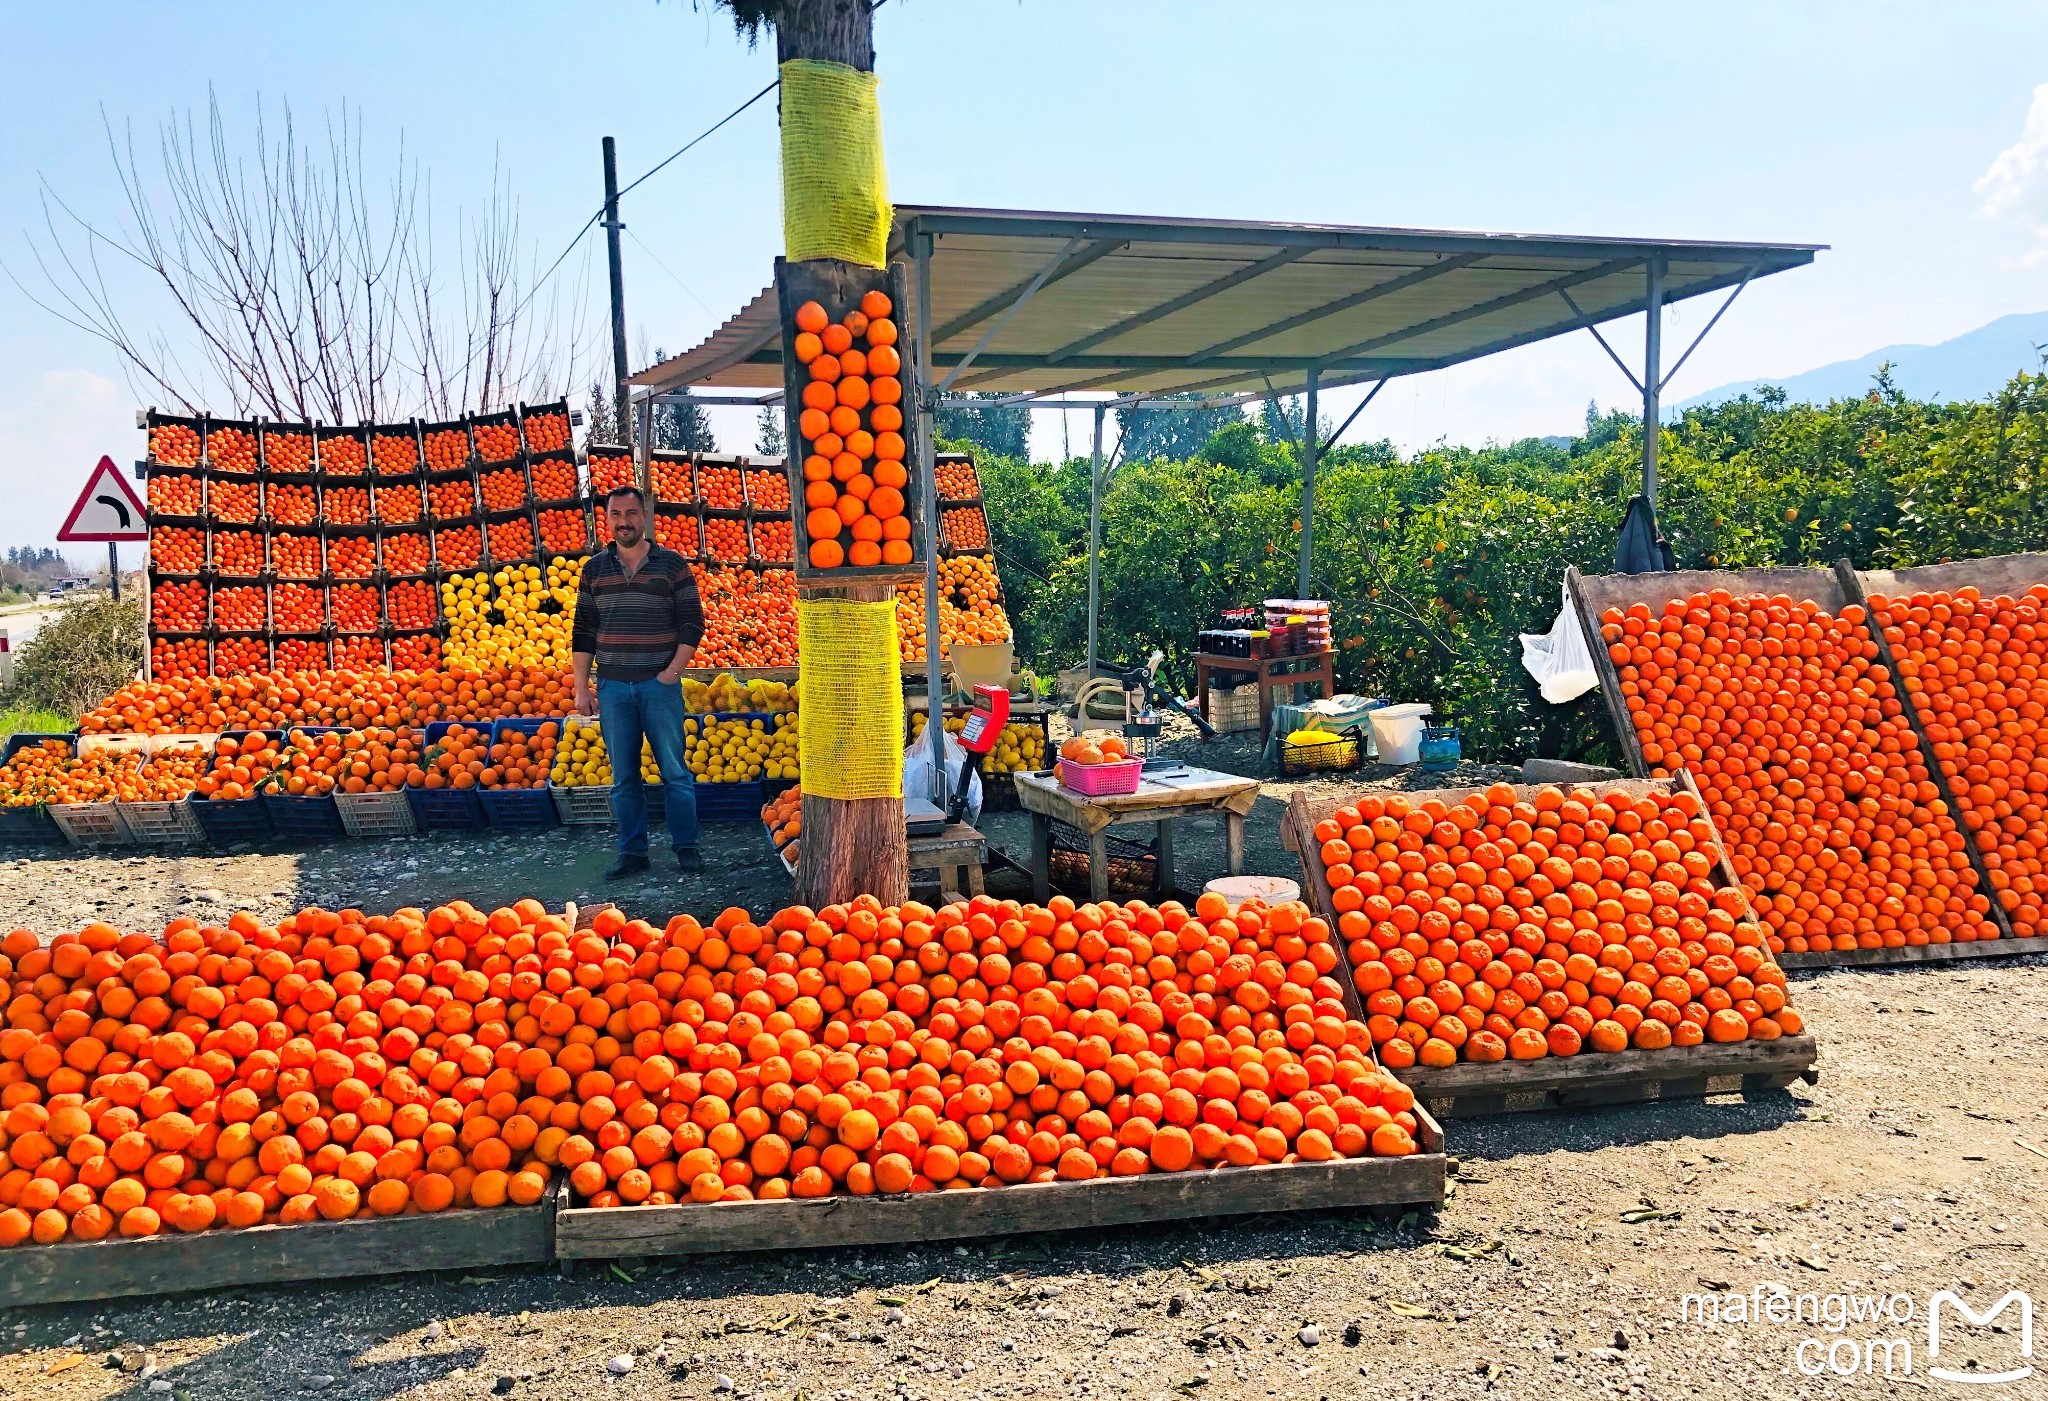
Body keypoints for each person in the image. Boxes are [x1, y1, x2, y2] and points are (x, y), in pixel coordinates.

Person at [571, 485, 706, 879]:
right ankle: (633, 852)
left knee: (674, 772)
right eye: (616, 514)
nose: (624, 521)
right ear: (607, 518)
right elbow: (584, 631)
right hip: (613, 687)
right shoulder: (594, 569)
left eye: (631, 513)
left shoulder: (671, 565)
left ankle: (687, 848)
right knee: (623, 776)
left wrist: (671, 672)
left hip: (658, 687)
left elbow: (692, 622)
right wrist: (582, 686)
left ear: (643, 517)